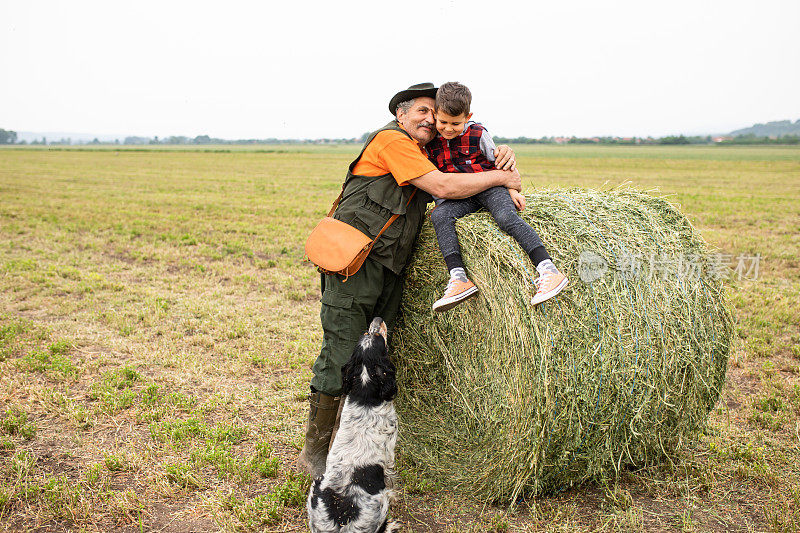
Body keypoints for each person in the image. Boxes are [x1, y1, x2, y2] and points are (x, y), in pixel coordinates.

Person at [298, 83, 521, 477]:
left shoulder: (428, 153)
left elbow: (468, 184)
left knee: (379, 357)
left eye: (433, 113)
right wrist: (498, 179)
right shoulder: (392, 140)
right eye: (422, 110)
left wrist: (504, 168)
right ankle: (316, 454)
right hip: (355, 264)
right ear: (401, 115)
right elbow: (444, 187)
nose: (430, 118)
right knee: (340, 354)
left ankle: (364, 443)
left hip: (391, 270)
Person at [426, 82, 568, 312]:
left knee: (505, 216)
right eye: (443, 122)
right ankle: (459, 278)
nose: (449, 129)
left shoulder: (479, 134)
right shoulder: (431, 141)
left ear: (468, 116)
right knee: (440, 215)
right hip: (460, 197)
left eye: (456, 123)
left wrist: (512, 190)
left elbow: (501, 165)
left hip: (490, 188)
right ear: (435, 115)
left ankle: (548, 269)